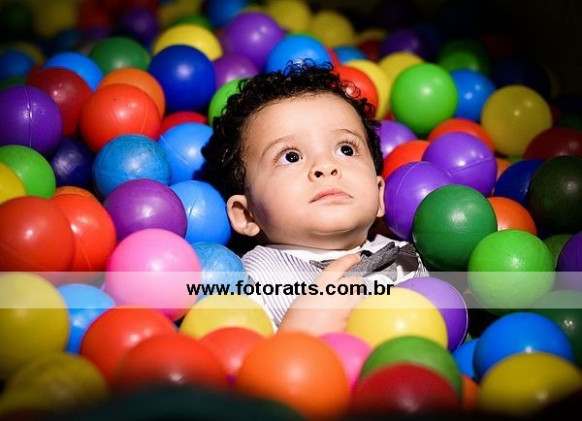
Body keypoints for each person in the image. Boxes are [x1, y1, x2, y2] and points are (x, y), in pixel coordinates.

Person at [202, 62, 428, 335]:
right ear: (247, 214)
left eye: (346, 149)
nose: (325, 166)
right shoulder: (251, 283)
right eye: (291, 157)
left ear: (380, 194)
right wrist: (298, 333)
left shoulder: (414, 256)